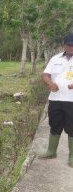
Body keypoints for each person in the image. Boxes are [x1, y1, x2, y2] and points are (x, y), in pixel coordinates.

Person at [39, 33, 73, 167]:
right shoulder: (55, 59)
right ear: (64, 45)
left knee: (72, 128)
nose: (72, 47)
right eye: (70, 45)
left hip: (71, 101)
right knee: (55, 125)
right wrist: (50, 84)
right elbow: (46, 74)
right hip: (55, 99)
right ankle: (51, 151)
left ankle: (72, 157)